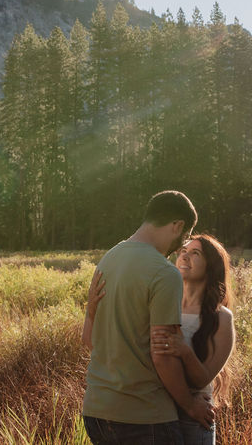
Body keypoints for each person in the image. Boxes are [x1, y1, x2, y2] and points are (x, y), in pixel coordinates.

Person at [81, 190, 213, 444]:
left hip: (96, 413)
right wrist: (190, 405)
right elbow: (162, 354)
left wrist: (90, 310)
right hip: (143, 418)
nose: (179, 249)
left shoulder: (108, 260)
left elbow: (89, 341)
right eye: (183, 238)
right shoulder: (163, 273)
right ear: (177, 225)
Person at [151, 234, 235, 445]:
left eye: (195, 253)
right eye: (183, 252)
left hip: (194, 417)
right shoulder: (160, 306)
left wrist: (184, 351)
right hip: (154, 414)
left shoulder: (222, 318)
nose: (185, 257)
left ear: (211, 266)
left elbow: (202, 379)